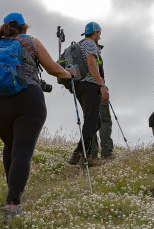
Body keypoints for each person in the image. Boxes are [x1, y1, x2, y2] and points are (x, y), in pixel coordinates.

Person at [0, 12, 75, 223]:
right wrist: (70, 74)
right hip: (28, 100)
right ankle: (13, 205)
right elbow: (53, 69)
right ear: (24, 28)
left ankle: (13, 195)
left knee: (10, 146)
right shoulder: (31, 42)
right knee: (22, 150)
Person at [68, 22, 109, 166]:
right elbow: (91, 65)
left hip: (79, 86)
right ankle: (79, 152)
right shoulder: (91, 44)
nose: (100, 36)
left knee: (94, 121)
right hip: (90, 86)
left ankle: (85, 153)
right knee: (92, 121)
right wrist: (102, 85)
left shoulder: (80, 44)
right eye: (99, 33)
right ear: (96, 33)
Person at [91, 44, 114, 159]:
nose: (100, 50)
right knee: (104, 121)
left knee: (91, 121)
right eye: (99, 48)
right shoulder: (95, 57)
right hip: (98, 91)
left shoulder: (83, 56)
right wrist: (103, 86)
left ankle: (92, 153)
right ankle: (106, 152)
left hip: (85, 92)